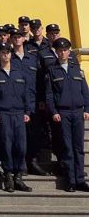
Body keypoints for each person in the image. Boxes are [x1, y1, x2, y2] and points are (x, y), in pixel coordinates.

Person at [0, 43, 34, 193]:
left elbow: (27, 94)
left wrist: (28, 112)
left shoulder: (20, 73)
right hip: (3, 114)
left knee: (21, 146)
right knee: (6, 146)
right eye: (3, 52)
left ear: (11, 54)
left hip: (19, 114)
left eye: (8, 52)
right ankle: (8, 176)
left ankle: (18, 176)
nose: (5, 55)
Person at [45, 38, 89, 192]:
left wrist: (87, 109)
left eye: (65, 50)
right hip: (63, 113)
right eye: (59, 50)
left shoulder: (77, 69)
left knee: (79, 148)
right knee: (67, 148)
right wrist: (54, 112)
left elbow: (85, 91)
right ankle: (70, 180)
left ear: (69, 51)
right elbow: (49, 95)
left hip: (77, 112)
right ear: (56, 52)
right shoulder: (52, 70)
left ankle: (80, 180)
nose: (62, 52)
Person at [9, 29, 48, 176]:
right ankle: (20, 163)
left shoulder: (32, 58)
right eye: (14, 37)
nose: (17, 39)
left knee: (33, 135)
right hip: (16, 103)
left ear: (24, 39)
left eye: (19, 37)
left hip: (33, 103)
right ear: (11, 40)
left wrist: (42, 100)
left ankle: (32, 161)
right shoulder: (8, 58)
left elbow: (39, 81)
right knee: (17, 136)